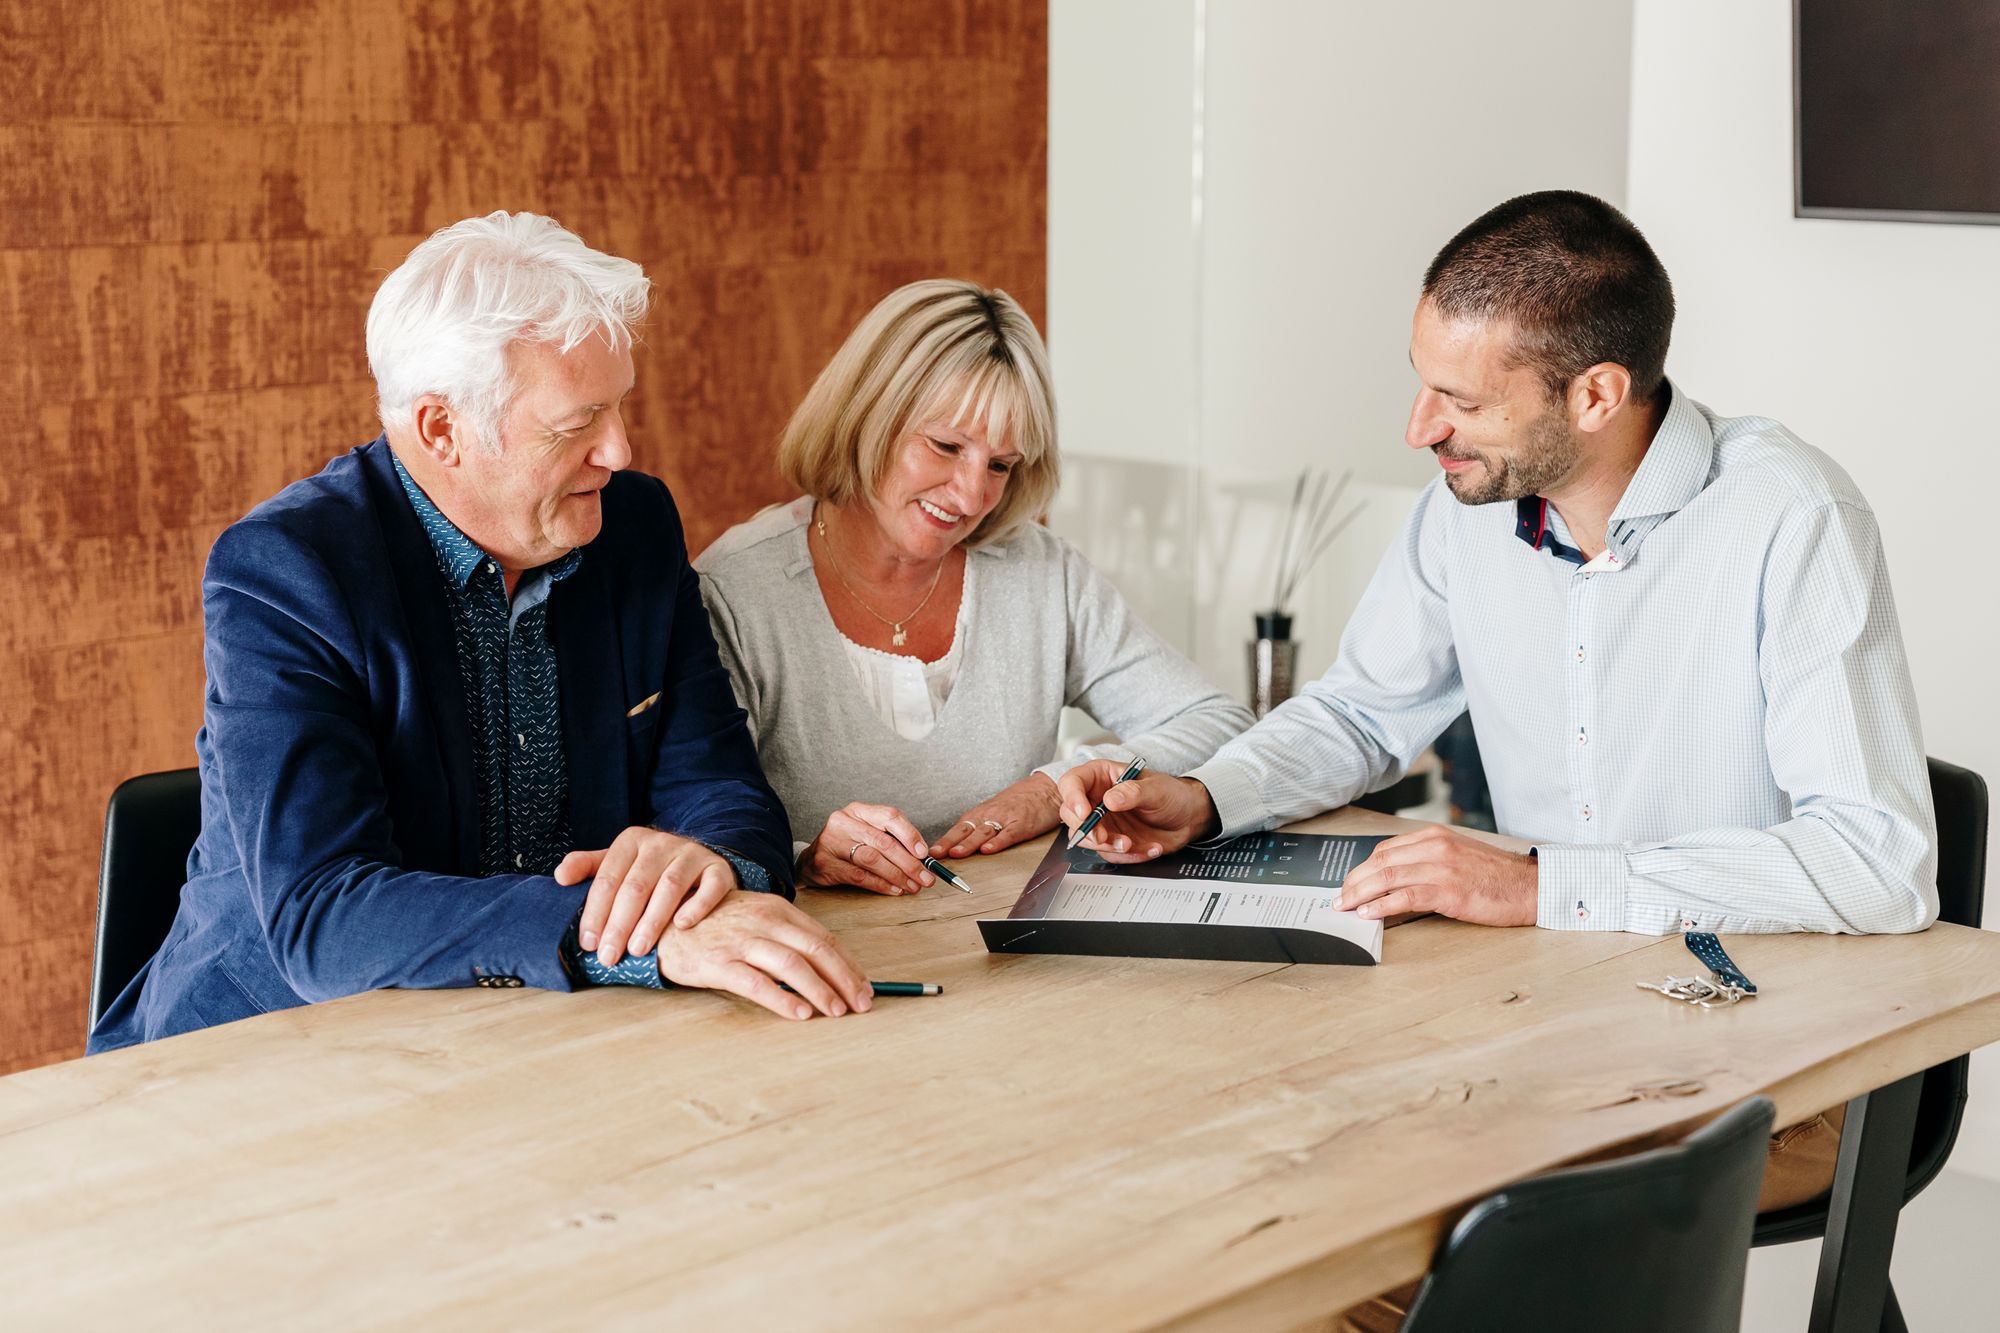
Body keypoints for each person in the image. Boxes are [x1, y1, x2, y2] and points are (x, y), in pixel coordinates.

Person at [1052, 191, 1936, 1330]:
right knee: (1231, 1191)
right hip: (1536, 1021)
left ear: (1596, 393)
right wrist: (1208, 792)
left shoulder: (1790, 518)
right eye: (1422, 382)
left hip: (1763, 1061)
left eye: (1460, 399)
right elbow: (1363, 712)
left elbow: (1878, 860)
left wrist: (1540, 885)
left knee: (1343, 1244)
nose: (1420, 426)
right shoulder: (1465, 507)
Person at [89, 212, 872, 1052]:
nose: (620, 448)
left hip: (535, 1040)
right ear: (441, 429)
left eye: (619, 408)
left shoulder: (633, 524)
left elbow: (723, 788)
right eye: (577, 424)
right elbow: (325, 913)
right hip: (263, 1055)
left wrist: (712, 865)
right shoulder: (288, 569)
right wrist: (633, 933)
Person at [695, 280, 1252, 896]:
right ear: (866, 417)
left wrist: (1049, 788)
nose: (970, 497)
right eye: (945, 446)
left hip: (1010, 953)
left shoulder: (1042, 573)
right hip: (829, 953)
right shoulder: (735, 590)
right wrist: (802, 855)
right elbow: (697, 818)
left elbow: (1217, 720)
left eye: (999, 465)